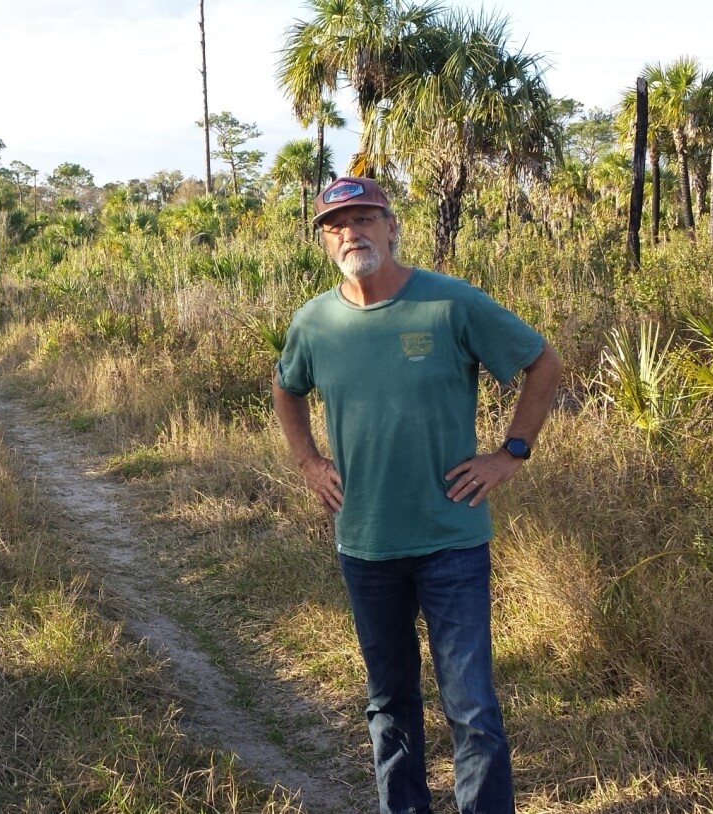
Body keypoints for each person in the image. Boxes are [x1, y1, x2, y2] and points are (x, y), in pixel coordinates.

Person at [272, 176, 562, 814]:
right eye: (336, 224)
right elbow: (287, 388)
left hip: (450, 541)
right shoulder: (314, 321)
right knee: (389, 704)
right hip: (366, 544)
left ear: (392, 225)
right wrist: (308, 462)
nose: (352, 233)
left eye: (365, 219)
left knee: (472, 708)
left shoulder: (449, 303)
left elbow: (542, 363)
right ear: (325, 239)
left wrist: (509, 452)